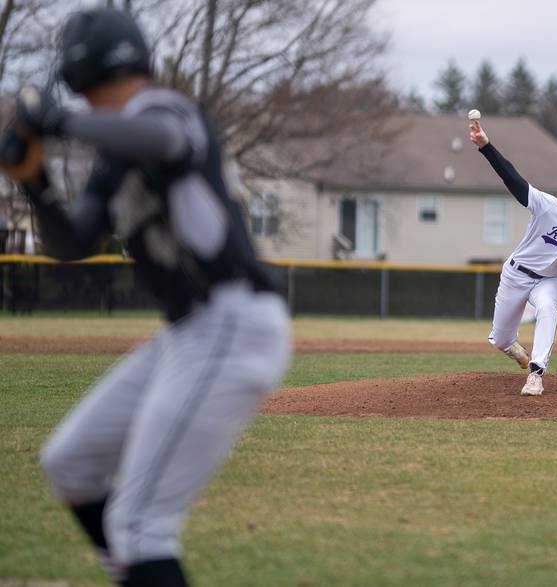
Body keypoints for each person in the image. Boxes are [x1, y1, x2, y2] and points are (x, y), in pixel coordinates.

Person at [0, 8, 291, 587]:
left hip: (233, 321)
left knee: (140, 524)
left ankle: (141, 567)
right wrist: (35, 185)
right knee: (73, 464)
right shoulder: (116, 151)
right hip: (190, 331)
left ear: (82, 72)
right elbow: (72, 243)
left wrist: (58, 122)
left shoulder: (164, 109)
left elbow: (161, 139)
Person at [469, 116, 557, 396]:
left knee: (548, 311)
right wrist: (486, 147)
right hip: (516, 273)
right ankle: (512, 347)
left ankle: (536, 373)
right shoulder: (549, 207)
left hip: (549, 281)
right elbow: (513, 179)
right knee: (500, 339)